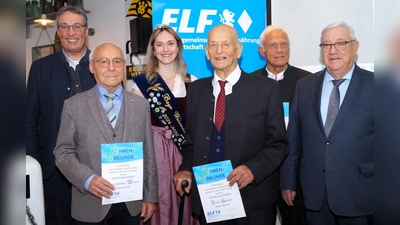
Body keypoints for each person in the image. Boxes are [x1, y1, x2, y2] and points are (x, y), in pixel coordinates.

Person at [173, 24, 289, 225]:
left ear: (238, 49)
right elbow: (190, 142)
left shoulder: (266, 89)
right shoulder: (196, 90)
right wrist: (185, 168)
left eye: (226, 44)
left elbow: (279, 144)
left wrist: (253, 169)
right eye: (213, 45)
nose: (219, 50)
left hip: (253, 201)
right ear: (207, 52)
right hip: (210, 200)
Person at [53, 42, 158, 224]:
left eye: (117, 61)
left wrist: (150, 196)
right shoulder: (73, 106)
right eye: (103, 61)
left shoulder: (141, 106)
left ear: (123, 67)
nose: (111, 67)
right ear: (92, 67)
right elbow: (62, 153)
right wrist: (87, 179)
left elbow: (148, 153)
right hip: (90, 205)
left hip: (130, 205)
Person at [280, 22, 374, 225]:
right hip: (315, 195)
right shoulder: (304, 87)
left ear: (355, 47)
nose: (333, 51)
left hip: (361, 194)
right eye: (326, 45)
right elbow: (294, 140)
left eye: (340, 43)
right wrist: (287, 182)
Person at [26, 6, 96, 225]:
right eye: (64, 27)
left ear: (86, 31)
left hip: (95, 166)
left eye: (76, 26)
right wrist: (35, 164)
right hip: (53, 168)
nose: (71, 32)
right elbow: (28, 119)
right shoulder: (40, 68)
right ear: (58, 32)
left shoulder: (103, 65)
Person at [131, 24, 199, 225]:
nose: (165, 49)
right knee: (158, 201)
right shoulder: (141, 85)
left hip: (183, 153)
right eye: (159, 45)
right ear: (153, 49)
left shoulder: (192, 82)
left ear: (178, 47)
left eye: (170, 43)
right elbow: (136, 128)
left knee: (185, 205)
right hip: (154, 153)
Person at [250, 25, 311, 225]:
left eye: (284, 44)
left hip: (296, 175)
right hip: (260, 174)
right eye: (273, 45)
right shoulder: (250, 82)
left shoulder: (307, 81)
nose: (279, 50)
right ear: (262, 50)